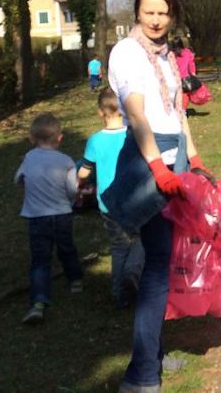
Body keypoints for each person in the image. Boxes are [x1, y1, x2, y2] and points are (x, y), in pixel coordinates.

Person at [102, 0, 208, 391]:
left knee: (160, 263)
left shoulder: (166, 56)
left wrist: (193, 160)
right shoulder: (127, 53)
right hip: (150, 161)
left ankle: (151, 358)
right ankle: (142, 374)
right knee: (158, 267)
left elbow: (177, 112)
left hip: (173, 156)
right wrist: (159, 170)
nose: (156, 19)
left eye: (163, 12)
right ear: (137, 12)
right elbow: (138, 115)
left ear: (171, 15)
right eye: (149, 11)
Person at [15, 113, 85, 325]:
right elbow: (72, 189)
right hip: (62, 214)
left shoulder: (28, 158)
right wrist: (76, 198)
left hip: (37, 216)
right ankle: (75, 280)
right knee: (66, 248)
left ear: (32, 138)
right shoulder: (65, 161)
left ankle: (38, 301)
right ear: (59, 138)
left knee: (40, 259)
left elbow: (18, 179)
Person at [81, 89, 142, 309]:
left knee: (118, 247)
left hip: (108, 205)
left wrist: (79, 180)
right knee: (140, 239)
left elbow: (84, 171)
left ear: (100, 112)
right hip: (134, 200)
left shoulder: (95, 140)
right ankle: (133, 272)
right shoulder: (133, 135)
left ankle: (119, 295)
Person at [172, 37, 197, 115]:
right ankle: (183, 110)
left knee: (175, 94)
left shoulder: (171, 54)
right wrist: (193, 73)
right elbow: (191, 64)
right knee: (185, 95)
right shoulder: (187, 52)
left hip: (174, 77)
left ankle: (175, 109)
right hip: (185, 77)